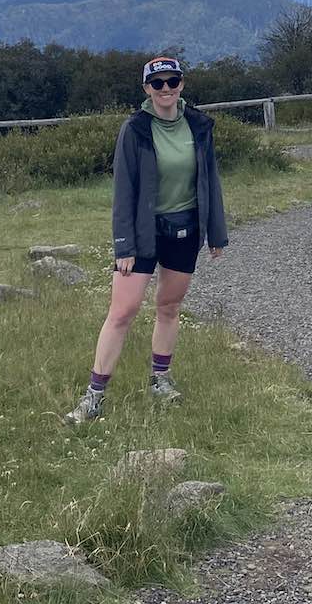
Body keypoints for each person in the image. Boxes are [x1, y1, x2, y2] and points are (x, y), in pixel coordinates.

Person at [64, 56, 229, 425]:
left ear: (182, 85)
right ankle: (94, 396)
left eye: (173, 81)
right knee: (122, 311)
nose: (166, 89)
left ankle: (160, 380)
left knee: (169, 306)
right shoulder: (135, 130)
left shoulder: (199, 126)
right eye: (158, 84)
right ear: (147, 90)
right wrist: (123, 246)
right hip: (142, 231)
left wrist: (216, 232)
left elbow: (209, 180)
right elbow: (124, 189)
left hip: (185, 227)